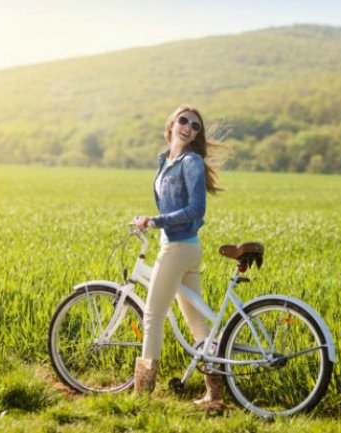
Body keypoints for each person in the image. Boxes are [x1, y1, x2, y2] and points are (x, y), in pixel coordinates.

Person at [133, 104, 224, 406]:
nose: (188, 127)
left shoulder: (191, 161)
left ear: (197, 135)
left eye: (195, 126)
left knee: (152, 315)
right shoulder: (165, 160)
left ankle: (142, 394)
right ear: (171, 123)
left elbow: (196, 209)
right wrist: (153, 223)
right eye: (183, 120)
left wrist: (156, 221)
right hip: (183, 247)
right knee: (198, 323)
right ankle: (214, 393)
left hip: (178, 247)